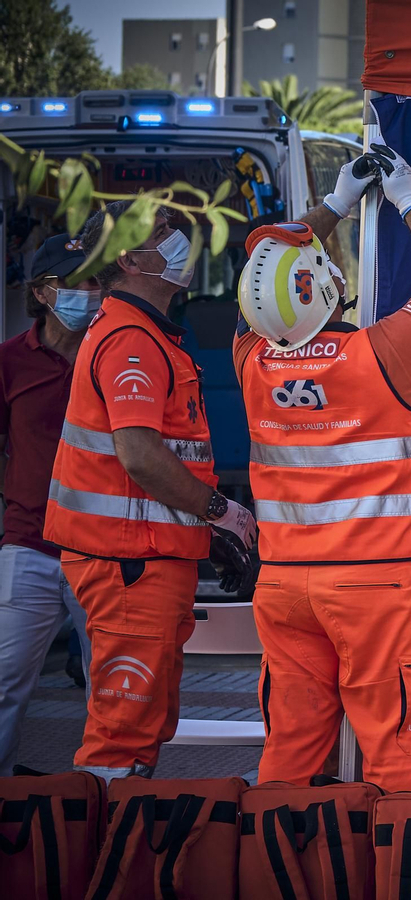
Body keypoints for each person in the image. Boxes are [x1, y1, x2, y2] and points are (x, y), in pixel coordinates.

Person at [234, 143, 411, 792]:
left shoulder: (250, 359)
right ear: (325, 288)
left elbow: (262, 284)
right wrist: (409, 201)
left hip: (283, 587)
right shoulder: (382, 353)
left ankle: (277, 853)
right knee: (397, 762)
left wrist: (334, 204)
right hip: (372, 587)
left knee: (288, 762)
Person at [43, 203, 259, 780]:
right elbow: (139, 456)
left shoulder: (143, 334)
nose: (177, 239)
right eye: (163, 232)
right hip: (128, 565)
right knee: (122, 732)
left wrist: (202, 533)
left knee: (146, 724)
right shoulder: (131, 341)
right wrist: (220, 513)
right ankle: (101, 832)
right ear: (129, 259)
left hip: (142, 560)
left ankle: (122, 826)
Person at [0, 235, 97, 774]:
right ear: (41, 291)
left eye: (97, 279)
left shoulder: (114, 354)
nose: (90, 290)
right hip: (28, 545)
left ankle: (105, 802)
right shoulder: (9, 362)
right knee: (5, 682)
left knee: (110, 692)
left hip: (102, 550)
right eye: (76, 280)